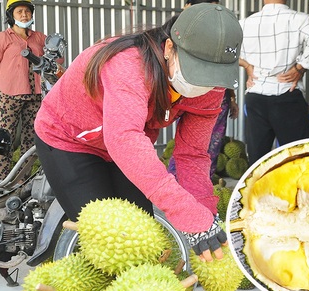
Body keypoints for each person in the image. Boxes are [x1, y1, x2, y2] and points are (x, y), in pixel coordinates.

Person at [34, 4, 242, 262]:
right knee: (110, 239)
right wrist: (186, 213)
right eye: (197, 71)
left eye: (212, 76)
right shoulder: (129, 65)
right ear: (169, 48)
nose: (203, 85)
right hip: (70, 138)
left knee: (143, 236)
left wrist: (204, 215)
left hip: (124, 144)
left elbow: (193, 154)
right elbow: (124, 138)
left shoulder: (211, 90)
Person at [238, 0, 309, 165]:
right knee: (297, 160)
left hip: (256, 95)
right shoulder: (300, 19)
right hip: (287, 95)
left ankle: (257, 190)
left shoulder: (245, 23)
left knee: (257, 161)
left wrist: (247, 66)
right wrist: (300, 67)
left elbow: (226, 52)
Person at [0, 0, 59, 180]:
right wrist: (4, 82)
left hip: (35, 96)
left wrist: (54, 53)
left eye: (27, 11)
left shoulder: (40, 37)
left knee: (30, 138)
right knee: (5, 137)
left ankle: (23, 180)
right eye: (19, 11)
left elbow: (56, 60)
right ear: (11, 15)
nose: (24, 15)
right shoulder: (3, 38)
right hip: (11, 96)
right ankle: (1, 178)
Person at [168, 0, 240, 179]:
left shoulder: (218, 25)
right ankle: (178, 182)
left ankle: (200, 181)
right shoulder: (185, 25)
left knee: (205, 145)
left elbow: (223, 69)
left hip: (213, 95)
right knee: (189, 145)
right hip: (186, 89)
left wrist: (231, 98)